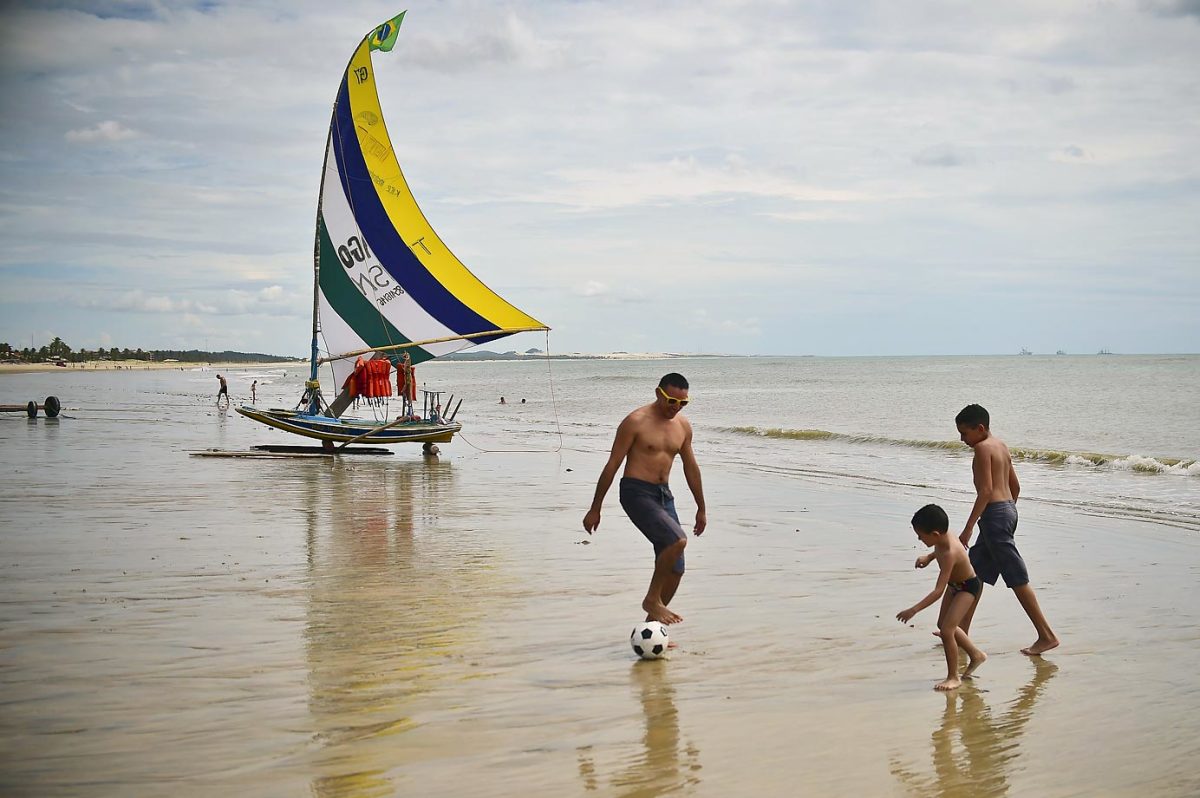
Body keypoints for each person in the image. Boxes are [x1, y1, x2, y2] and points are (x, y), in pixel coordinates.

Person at [920, 404, 1059, 656]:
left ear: (980, 428)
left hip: (994, 516)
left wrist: (969, 528)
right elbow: (1015, 488)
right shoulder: (1001, 446)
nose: (962, 439)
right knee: (972, 574)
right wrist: (1006, 513)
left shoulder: (983, 449)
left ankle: (1046, 635)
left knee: (1016, 577)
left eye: (964, 433)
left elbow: (985, 491)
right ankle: (958, 631)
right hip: (1005, 511)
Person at [583, 373, 706, 626]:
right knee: (677, 540)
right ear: (659, 393)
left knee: (676, 569)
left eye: (683, 403)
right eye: (672, 400)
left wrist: (701, 507)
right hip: (635, 492)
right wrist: (595, 508)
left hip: (664, 495)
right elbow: (613, 464)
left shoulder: (682, 426)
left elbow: (691, 467)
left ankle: (651, 630)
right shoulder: (635, 422)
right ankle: (651, 599)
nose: (676, 407)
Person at [898, 504, 987, 691]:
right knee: (943, 625)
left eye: (921, 536)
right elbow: (937, 549)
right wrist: (928, 558)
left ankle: (953, 677)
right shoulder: (943, 539)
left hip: (968, 587)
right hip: (955, 586)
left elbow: (938, 591)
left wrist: (913, 610)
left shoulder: (949, 554)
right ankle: (976, 654)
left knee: (947, 631)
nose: (919, 538)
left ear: (935, 534)